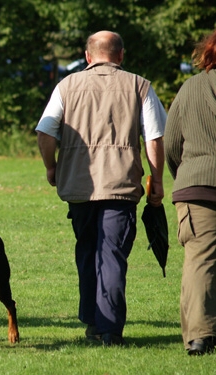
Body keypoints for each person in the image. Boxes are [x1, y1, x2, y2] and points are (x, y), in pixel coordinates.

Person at [36, 31, 166, 346]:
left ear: (88, 56)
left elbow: (45, 131)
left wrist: (51, 167)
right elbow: (154, 137)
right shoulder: (139, 86)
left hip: (78, 188)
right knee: (112, 256)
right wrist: (156, 179)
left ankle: (94, 322)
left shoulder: (66, 86)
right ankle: (109, 329)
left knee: (87, 252)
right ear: (121, 55)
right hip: (121, 186)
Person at [165, 29, 216, 356]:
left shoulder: (191, 87)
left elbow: (171, 143)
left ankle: (200, 336)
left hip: (196, 184)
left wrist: (183, 175)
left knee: (200, 261)